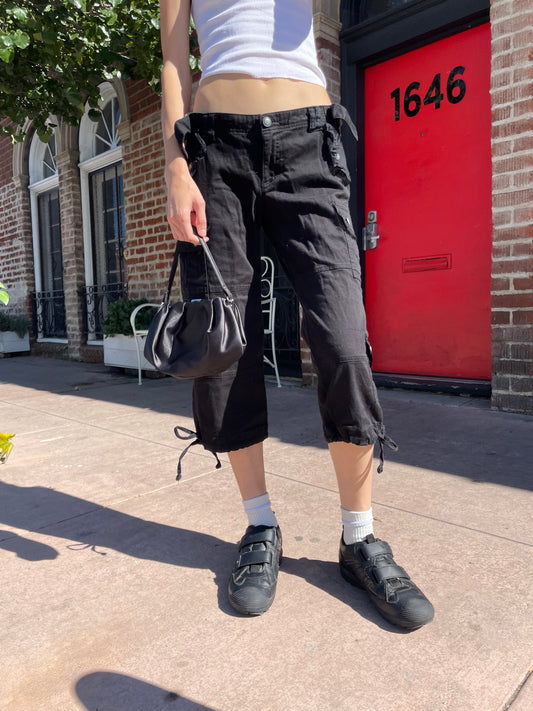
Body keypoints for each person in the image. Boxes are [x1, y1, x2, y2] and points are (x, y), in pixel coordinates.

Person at [160, 0, 434, 630]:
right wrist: (176, 163)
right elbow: (174, 62)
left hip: (309, 140)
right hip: (214, 149)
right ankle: (259, 525)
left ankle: (359, 538)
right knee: (227, 346)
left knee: (342, 336)